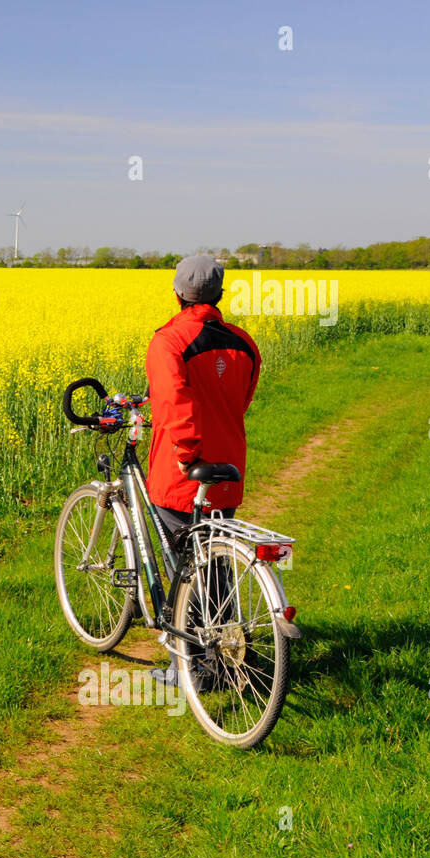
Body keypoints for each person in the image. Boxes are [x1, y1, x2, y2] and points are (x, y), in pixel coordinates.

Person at [146, 255, 261, 687]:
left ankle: (187, 666)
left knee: (185, 564)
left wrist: (186, 454)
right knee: (214, 564)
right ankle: (219, 659)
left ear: (177, 294)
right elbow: (240, 400)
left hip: (183, 473)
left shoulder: (169, 342)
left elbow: (175, 404)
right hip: (228, 469)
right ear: (220, 294)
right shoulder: (244, 343)